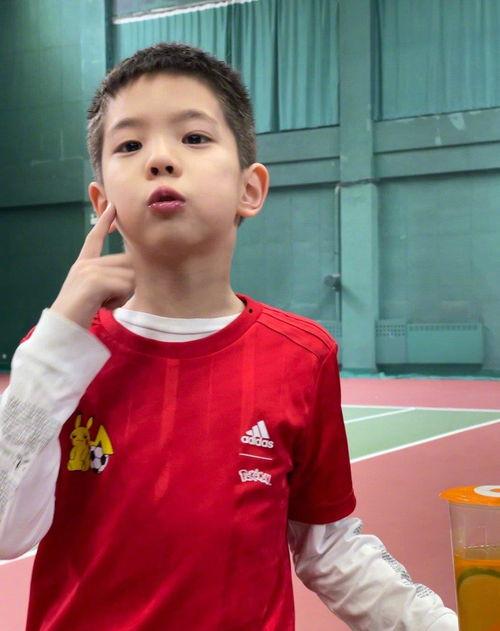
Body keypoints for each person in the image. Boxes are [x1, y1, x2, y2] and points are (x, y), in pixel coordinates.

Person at [0, 42, 458, 630]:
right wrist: (61, 330)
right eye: (129, 145)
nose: (159, 159)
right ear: (101, 201)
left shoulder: (302, 356)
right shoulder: (60, 352)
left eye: (193, 137)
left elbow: (329, 548)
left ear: (250, 189)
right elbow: (7, 532)